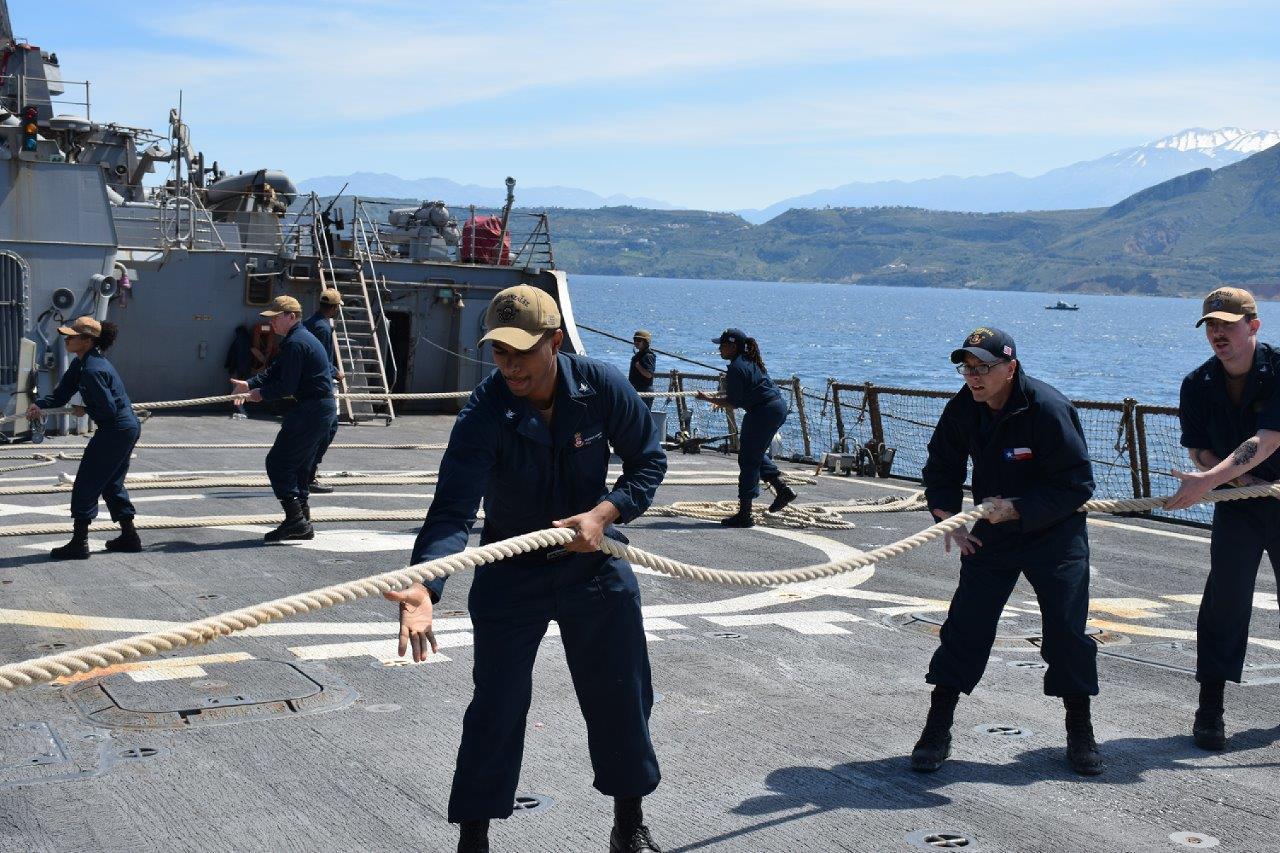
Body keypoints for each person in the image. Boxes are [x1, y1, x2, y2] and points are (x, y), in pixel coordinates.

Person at [382, 285, 667, 853]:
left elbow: (647, 460)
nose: (509, 364)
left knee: (621, 694)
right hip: (511, 571)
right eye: (500, 351)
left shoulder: (602, 386)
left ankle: (628, 823)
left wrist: (606, 513)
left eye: (522, 351)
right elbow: (452, 511)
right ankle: (475, 837)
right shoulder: (484, 413)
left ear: (555, 342)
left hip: (594, 565)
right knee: (497, 705)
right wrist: (424, 584)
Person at [915, 327, 1102, 776]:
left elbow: (1077, 485)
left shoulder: (1048, 408)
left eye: (983, 367)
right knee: (966, 625)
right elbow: (941, 466)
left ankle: (1080, 731)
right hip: (992, 532)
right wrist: (948, 519)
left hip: (1054, 532)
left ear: (1010, 367)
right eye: (967, 367)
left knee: (1066, 631)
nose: (973, 377)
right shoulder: (963, 408)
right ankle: (936, 728)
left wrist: (1018, 508)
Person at [1165, 287, 1280, 751]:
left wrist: (1206, 480)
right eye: (1211, 325)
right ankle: (1210, 708)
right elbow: (1196, 445)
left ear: (1253, 326)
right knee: (1224, 603)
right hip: (1237, 504)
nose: (1218, 333)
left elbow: (1268, 440)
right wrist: (1224, 482)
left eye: (1227, 324)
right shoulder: (1197, 384)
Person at [26, 316, 142, 559]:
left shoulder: (92, 369)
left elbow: (108, 410)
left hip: (115, 430)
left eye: (72, 336)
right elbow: (60, 397)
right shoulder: (82, 364)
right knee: (111, 484)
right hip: (123, 428)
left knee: (86, 484)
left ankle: (79, 543)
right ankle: (129, 536)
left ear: (87, 341)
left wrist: (86, 408)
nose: (67, 339)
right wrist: (39, 405)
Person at [230, 295, 337, 542]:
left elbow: (286, 385)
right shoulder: (297, 339)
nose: (273, 323)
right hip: (318, 409)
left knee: (278, 463)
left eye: (276, 318)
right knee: (299, 466)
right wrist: (249, 383)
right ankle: (303, 520)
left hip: (312, 410)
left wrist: (259, 394)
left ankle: (295, 520)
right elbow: (276, 371)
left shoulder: (296, 343)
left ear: (291, 316)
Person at [694, 328, 797, 527]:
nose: (720, 349)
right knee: (754, 454)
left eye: (723, 345)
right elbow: (736, 398)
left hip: (762, 412)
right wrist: (714, 398)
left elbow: (733, 403)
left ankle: (745, 514)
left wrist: (707, 397)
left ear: (733, 346)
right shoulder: (749, 362)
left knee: (748, 459)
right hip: (775, 408)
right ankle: (782, 489)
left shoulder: (736, 368)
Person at [302, 289, 345, 494]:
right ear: (335, 308)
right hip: (320, 387)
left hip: (308, 386)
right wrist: (336, 372)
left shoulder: (309, 323)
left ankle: (305, 472)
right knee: (328, 429)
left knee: (315, 430)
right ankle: (308, 474)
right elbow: (322, 358)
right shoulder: (323, 328)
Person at [224, 325, 255, 419]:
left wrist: (228, 366)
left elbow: (231, 356)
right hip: (245, 372)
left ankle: (242, 411)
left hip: (236, 371)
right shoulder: (249, 343)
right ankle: (240, 409)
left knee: (236, 393)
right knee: (241, 393)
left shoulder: (236, 343)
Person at [629, 330, 657, 408]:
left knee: (643, 417)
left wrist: (638, 366)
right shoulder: (638, 355)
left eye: (639, 340)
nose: (636, 342)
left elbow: (649, 374)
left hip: (645, 392)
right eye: (635, 340)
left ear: (645, 342)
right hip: (636, 390)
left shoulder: (648, 356)